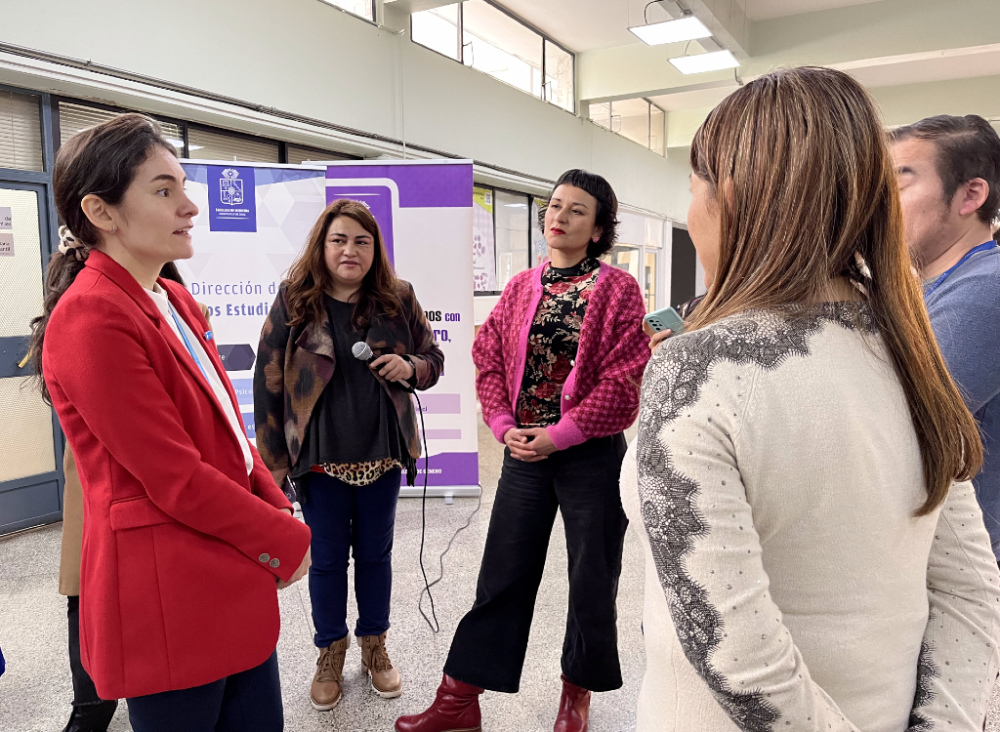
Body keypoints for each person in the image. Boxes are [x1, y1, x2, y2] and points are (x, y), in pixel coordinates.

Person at [621, 67, 1000, 731]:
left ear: (729, 197)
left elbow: (741, 662)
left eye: (693, 188)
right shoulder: (909, 351)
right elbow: (970, 591)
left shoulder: (694, 372)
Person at [30, 113, 312, 732]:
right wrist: (285, 540)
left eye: (182, 186)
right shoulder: (91, 319)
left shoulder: (172, 297)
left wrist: (276, 507)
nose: (189, 206)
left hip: (229, 564)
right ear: (101, 213)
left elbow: (231, 438)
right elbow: (175, 475)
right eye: (164, 191)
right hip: (168, 595)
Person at [397, 170, 650, 732]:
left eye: (576, 210)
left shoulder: (618, 290)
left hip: (589, 453)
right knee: (503, 574)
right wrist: (502, 421)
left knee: (592, 576)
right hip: (522, 454)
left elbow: (626, 376)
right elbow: (487, 356)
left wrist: (562, 433)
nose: (558, 217)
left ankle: (575, 696)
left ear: (599, 228)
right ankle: (460, 699)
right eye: (554, 206)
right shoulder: (518, 287)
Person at [254, 199, 443, 711]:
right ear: (322, 245)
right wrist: (273, 469)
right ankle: (330, 650)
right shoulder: (295, 300)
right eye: (339, 240)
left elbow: (433, 358)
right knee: (329, 561)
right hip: (319, 461)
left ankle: (374, 646)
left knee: (377, 558)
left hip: (381, 455)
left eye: (361, 241)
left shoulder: (397, 298)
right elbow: (269, 382)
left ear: (375, 249)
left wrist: (411, 367)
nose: (349, 250)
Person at [56, 263, 211, 732]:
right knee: (86, 592)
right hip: (96, 474)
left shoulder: (179, 304)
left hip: (164, 483)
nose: (183, 209)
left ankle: (100, 702)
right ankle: (91, 706)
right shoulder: (81, 301)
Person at [890, 115, 1000, 564]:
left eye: (897, 186)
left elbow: (898, 428)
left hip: (975, 565)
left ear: (970, 195)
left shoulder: (984, 290)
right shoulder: (928, 286)